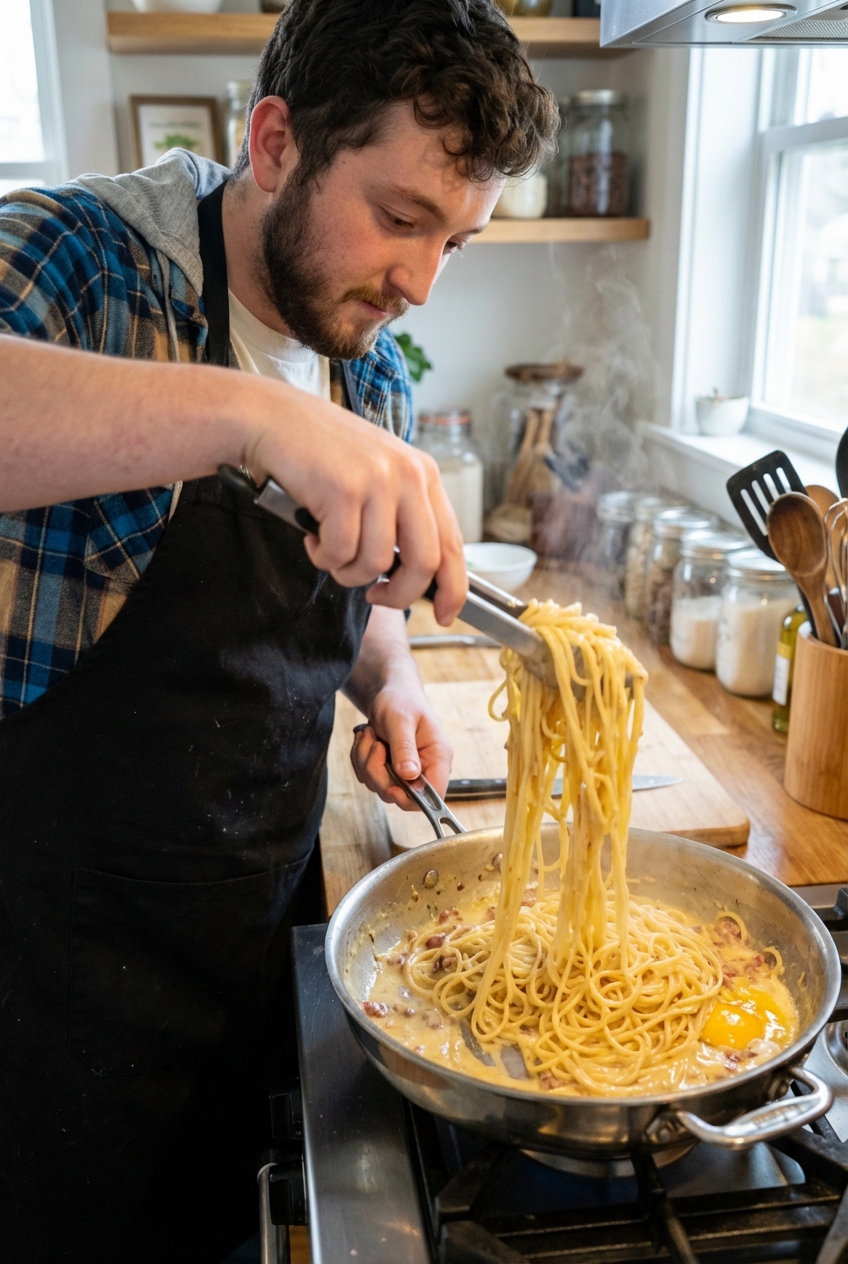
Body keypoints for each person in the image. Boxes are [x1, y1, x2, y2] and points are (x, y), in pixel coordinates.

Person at [0, 1, 557, 1258]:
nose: (418, 282)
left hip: (252, 931)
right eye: (402, 217)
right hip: (48, 975)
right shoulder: (89, 262)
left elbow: (348, 592)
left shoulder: (364, 359)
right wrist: (248, 417)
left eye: (456, 242)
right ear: (273, 143)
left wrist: (392, 678)